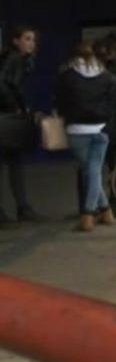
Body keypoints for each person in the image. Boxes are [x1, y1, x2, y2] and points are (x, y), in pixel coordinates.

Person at [56, 40, 116, 232]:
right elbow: (115, 101)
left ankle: (87, 215)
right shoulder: (107, 77)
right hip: (101, 129)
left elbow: (60, 102)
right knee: (93, 172)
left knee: (90, 172)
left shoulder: (67, 77)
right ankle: (106, 211)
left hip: (77, 131)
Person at [0, 26, 45, 224]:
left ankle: (20, 208)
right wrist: (16, 107)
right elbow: (4, 84)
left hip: (7, 117)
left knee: (13, 162)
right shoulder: (15, 59)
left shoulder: (14, 59)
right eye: (27, 39)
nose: (31, 43)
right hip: (7, 118)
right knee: (14, 162)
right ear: (15, 41)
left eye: (33, 40)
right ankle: (22, 208)